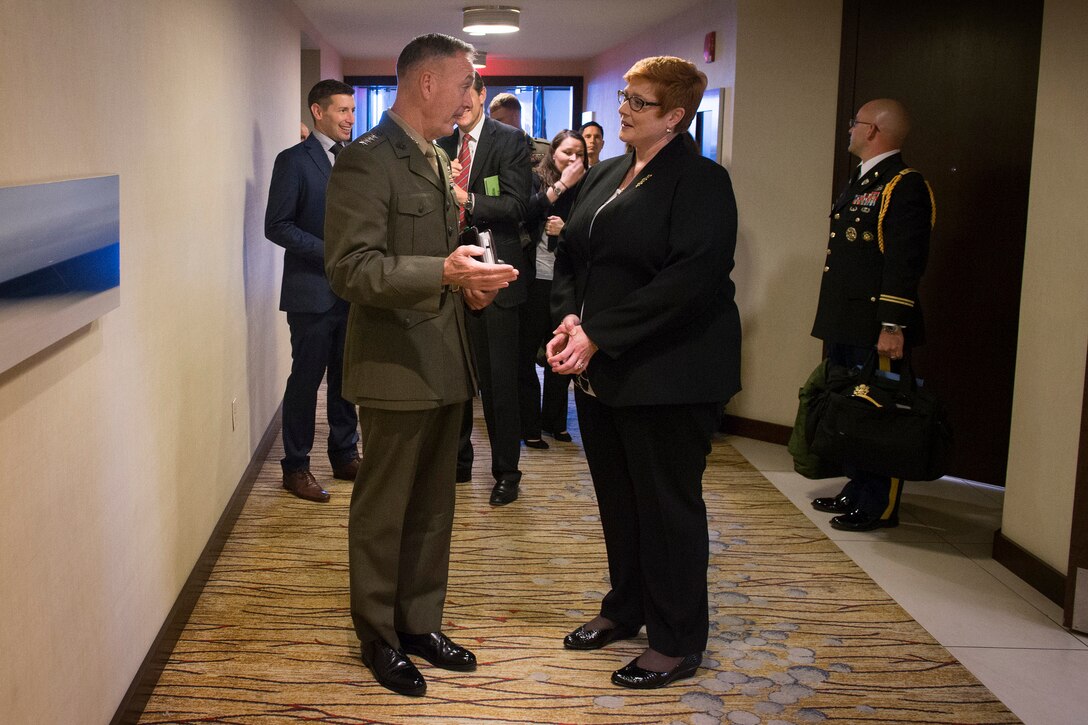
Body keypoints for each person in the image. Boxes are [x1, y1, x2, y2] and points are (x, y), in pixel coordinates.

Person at [324, 33, 519, 697]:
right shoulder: (367, 160)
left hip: (444, 360)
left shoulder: (435, 158)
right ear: (429, 83)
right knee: (385, 511)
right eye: (465, 83)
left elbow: (438, 258)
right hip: (393, 363)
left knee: (435, 505)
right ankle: (378, 635)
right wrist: (440, 269)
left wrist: (469, 281)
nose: (471, 98)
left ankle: (419, 621)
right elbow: (350, 268)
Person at [546, 56, 741, 689]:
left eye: (639, 102)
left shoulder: (702, 181)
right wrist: (572, 321)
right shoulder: (607, 173)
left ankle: (677, 639)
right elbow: (571, 250)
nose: (623, 108)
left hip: (671, 372)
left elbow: (691, 278)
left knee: (666, 508)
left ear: (676, 118)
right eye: (625, 96)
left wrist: (599, 332)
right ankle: (625, 608)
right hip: (607, 370)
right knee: (619, 502)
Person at [809, 98, 935, 532]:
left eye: (855, 123)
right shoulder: (866, 179)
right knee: (853, 409)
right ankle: (858, 487)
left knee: (881, 412)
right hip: (849, 319)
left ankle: (879, 504)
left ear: (875, 131)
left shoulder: (904, 185)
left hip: (877, 324)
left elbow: (904, 261)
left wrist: (892, 324)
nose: (849, 129)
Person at [438, 73, 533, 506]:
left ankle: (506, 473)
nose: (460, 104)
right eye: (453, 94)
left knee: (499, 383)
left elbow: (516, 206)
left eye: (467, 94)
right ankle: (458, 463)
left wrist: (464, 198)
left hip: (497, 274)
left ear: (482, 96)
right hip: (449, 275)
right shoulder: (438, 142)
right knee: (454, 375)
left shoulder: (510, 140)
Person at [265, 79, 361, 503]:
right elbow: (277, 225)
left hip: (353, 290)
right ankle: (296, 467)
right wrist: (331, 254)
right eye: (341, 110)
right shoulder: (293, 161)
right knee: (306, 381)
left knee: (346, 378)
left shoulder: (356, 160)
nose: (350, 119)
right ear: (317, 112)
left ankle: (345, 455)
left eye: (352, 111)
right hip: (311, 291)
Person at [518, 130, 586, 449]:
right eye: (567, 152)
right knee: (527, 356)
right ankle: (529, 425)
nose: (573, 159)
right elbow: (523, 214)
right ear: (553, 152)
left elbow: (592, 233)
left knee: (560, 353)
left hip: (565, 282)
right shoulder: (536, 180)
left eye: (580, 154)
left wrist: (567, 229)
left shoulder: (588, 187)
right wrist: (559, 189)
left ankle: (554, 421)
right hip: (534, 278)